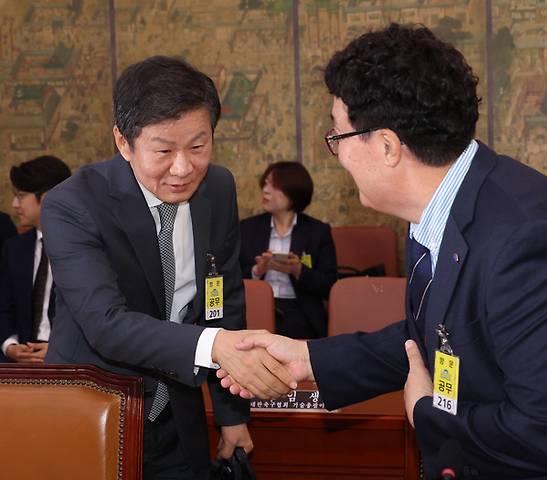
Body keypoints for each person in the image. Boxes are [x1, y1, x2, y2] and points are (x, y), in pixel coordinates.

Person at [220, 24, 547, 479]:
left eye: (337, 137)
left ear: (388, 145)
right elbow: (430, 335)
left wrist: (427, 412)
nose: (338, 154)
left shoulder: (525, 242)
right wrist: (308, 358)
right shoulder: (443, 204)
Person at [41, 56, 294, 480]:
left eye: (198, 146)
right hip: (93, 409)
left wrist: (232, 414)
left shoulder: (217, 187)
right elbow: (105, 323)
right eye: (163, 150)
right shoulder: (73, 203)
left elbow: (223, 301)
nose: (182, 168)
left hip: (178, 411)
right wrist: (212, 346)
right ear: (123, 142)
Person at [239, 161, 337, 338]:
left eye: (274, 185)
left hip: (299, 311)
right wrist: (257, 271)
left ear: (294, 193)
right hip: (255, 307)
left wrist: (299, 271)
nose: (265, 190)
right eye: (265, 183)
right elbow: (230, 277)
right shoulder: (247, 228)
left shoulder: (317, 232)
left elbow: (329, 286)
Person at [0, 156, 70, 363]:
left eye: (21, 196)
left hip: (70, 362)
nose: (14, 205)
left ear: (47, 197)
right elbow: (3, 308)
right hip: (19, 362)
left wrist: (59, 350)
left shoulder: (86, 246)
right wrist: (9, 346)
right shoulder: (15, 248)